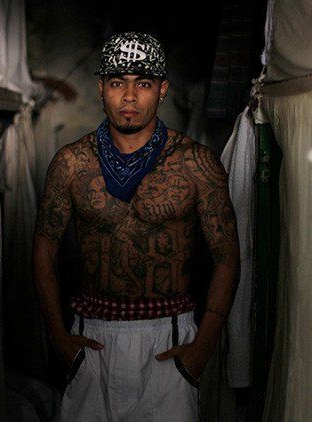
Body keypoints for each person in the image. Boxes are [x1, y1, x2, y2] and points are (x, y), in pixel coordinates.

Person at [32, 31, 240, 421]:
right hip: (91, 336)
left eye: (142, 83)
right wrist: (59, 336)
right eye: (118, 83)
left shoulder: (195, 163)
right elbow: (44, 248)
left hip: (169, 338)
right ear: (101, 88)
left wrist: (202, 348)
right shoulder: (72, 163)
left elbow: (227, 256)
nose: (129, 96)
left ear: (162, 89)